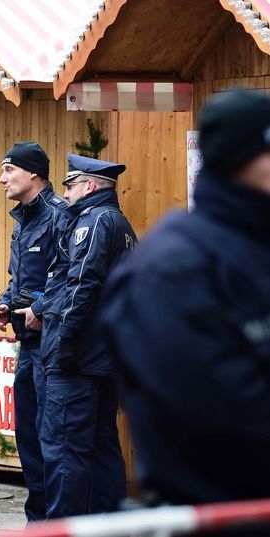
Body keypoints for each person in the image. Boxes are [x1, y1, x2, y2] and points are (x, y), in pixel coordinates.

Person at [101, 90, 270, 510]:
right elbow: (207, 408)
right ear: (242, 159)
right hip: (218, 513)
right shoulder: (173, 267)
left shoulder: (253, 249)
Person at [39, 153, 136, 518]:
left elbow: (82, 284)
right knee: (101, 447)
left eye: (70, 185)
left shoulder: (93, 221)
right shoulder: (121, 224)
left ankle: (61, 528)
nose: (66, 193)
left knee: (64, 450)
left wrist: (63, 340)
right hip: (104, 357)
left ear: (90, 186)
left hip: (78, 358)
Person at [0, 141, 68, 522]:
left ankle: (53, 524)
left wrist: (40, 307)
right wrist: (5, 303)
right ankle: (37, 522)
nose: (2, 179)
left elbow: (71, 275)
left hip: (53, 348)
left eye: (9, 170)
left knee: (51, 440)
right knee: (29, 439)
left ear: (33, 173)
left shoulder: (59, 216)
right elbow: (19, 278)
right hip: (27, 343)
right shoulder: (23, 220)